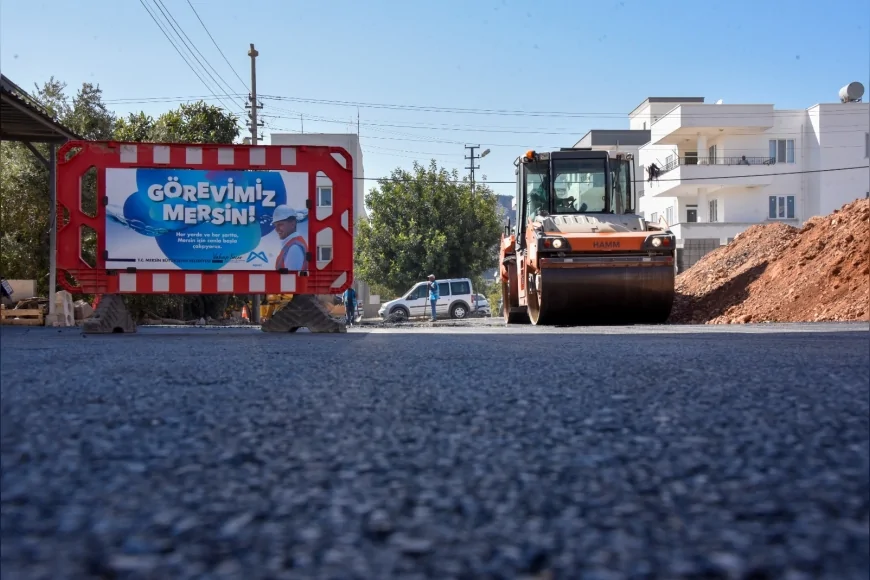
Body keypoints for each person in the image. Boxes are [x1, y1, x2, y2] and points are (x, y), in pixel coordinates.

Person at [272, 205, 308, 271]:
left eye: (280, 224)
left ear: (292, 224)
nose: (276, 229)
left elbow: (291, 278)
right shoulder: (291, 244)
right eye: (275, 225)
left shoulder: (294, 248)